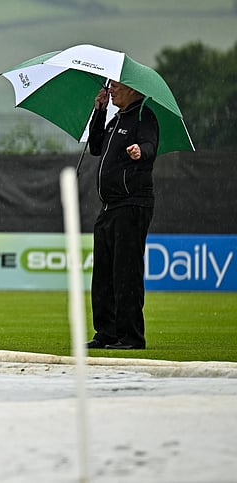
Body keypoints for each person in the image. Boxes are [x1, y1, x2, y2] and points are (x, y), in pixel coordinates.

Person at [86, 79, 159, 350]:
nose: (111, 90)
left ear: (133, 89)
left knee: (126, 272)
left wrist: (141, 150)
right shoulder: (115, 119)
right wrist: (100, 111)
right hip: (109, 207)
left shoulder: (144, 115)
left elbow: (151, 145)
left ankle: (131, 336)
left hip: (132, 204)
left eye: (116, 86)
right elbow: (95, 146)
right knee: (103, 273)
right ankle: (107, 332)